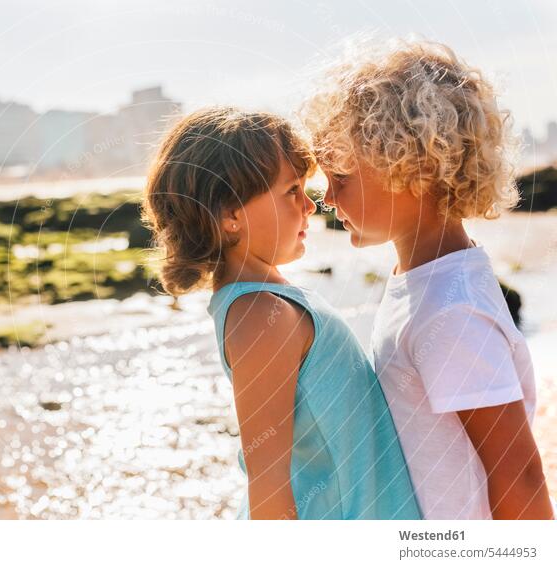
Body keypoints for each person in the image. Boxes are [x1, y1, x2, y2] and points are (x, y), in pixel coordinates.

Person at [303, 37, 555, 519]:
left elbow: (518, 476)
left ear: (410, 165)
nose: (327, 199)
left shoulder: (450, 308)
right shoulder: (422, 283)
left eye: (341, 178)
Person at [141, 106, 422, 519]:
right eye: (292, 191)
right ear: (230, 214)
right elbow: (268, 485)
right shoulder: (259, 315)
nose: (310, 207)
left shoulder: (266, 302)